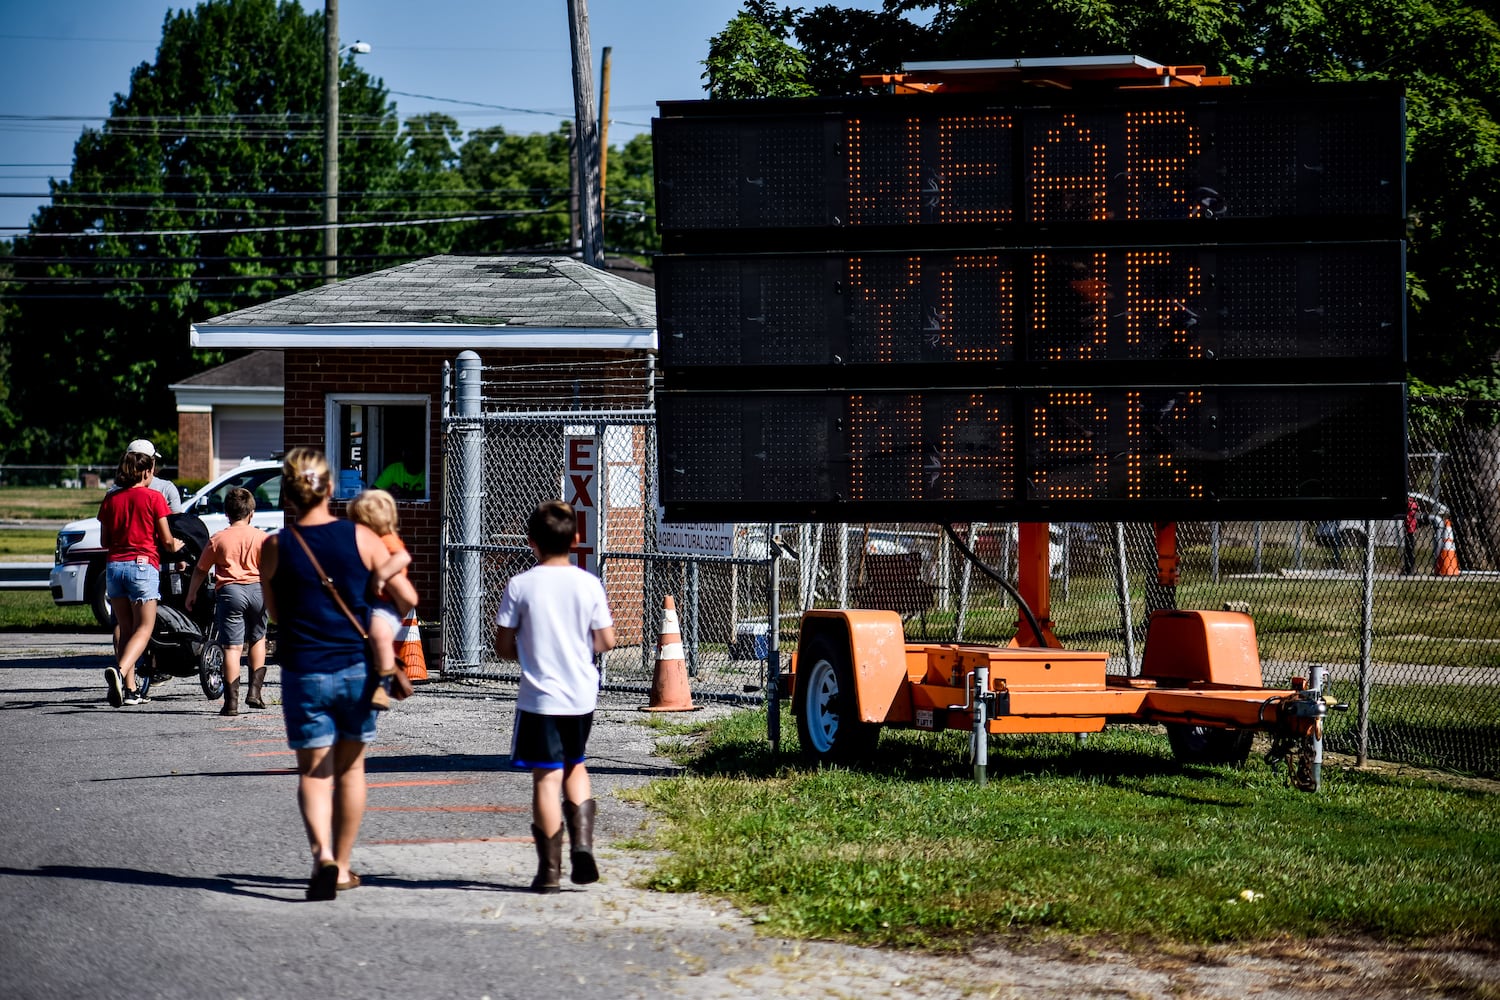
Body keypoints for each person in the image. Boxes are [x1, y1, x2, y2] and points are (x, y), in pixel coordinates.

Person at [260, 447, 416, 901]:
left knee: (313, 772)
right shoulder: (362, 538)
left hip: (304, 670)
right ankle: (344, 866)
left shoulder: (275, 546)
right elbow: (401, 597)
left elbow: (275, 613)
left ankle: (322, 857)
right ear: (330, 488)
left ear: (287, 495)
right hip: (357, 669)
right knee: (351, 771)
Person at [493, 500, 616, 893]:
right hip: (582, 695)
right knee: (576, 766)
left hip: (540, 698)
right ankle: (583, 844)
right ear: (576, 539)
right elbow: (606, 640)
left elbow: (503, 645)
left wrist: (524, 651)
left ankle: (549, 872)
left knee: (546, 779)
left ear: (532, 542)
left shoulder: (521, 585)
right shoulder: (589, 583)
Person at [99, 449, 183, 707]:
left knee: (125, 628)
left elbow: (104, 541)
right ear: (146, 472)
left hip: (114, 567)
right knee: (144, 628)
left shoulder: (111, 499)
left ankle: (131, 690)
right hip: (142, 566)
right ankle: (121, 670)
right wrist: (177, 546)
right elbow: (167, 541)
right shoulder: (154, 497)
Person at [186, 487, 269, 716]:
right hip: (258, 591)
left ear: (227, 514)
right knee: (258, 638)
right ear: (251, 512)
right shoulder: (261, 537)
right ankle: (255, 692)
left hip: (230, 592)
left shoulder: (219, 538)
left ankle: (231, 703)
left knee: (232, 647)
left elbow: (201, 570)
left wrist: (192, 593)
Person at [345, 488, 415, 711]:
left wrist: (382, 574)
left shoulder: (387, 540)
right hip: (373, 602)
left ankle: (382, 686)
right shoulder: (368, 542)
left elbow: (403, 557)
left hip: (387, 604)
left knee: (379, 633)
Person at [106, 439, 184, 513]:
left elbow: (106, 526)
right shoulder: (165, 489)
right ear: (151, 464)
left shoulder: (113, 493)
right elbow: (177, 523)